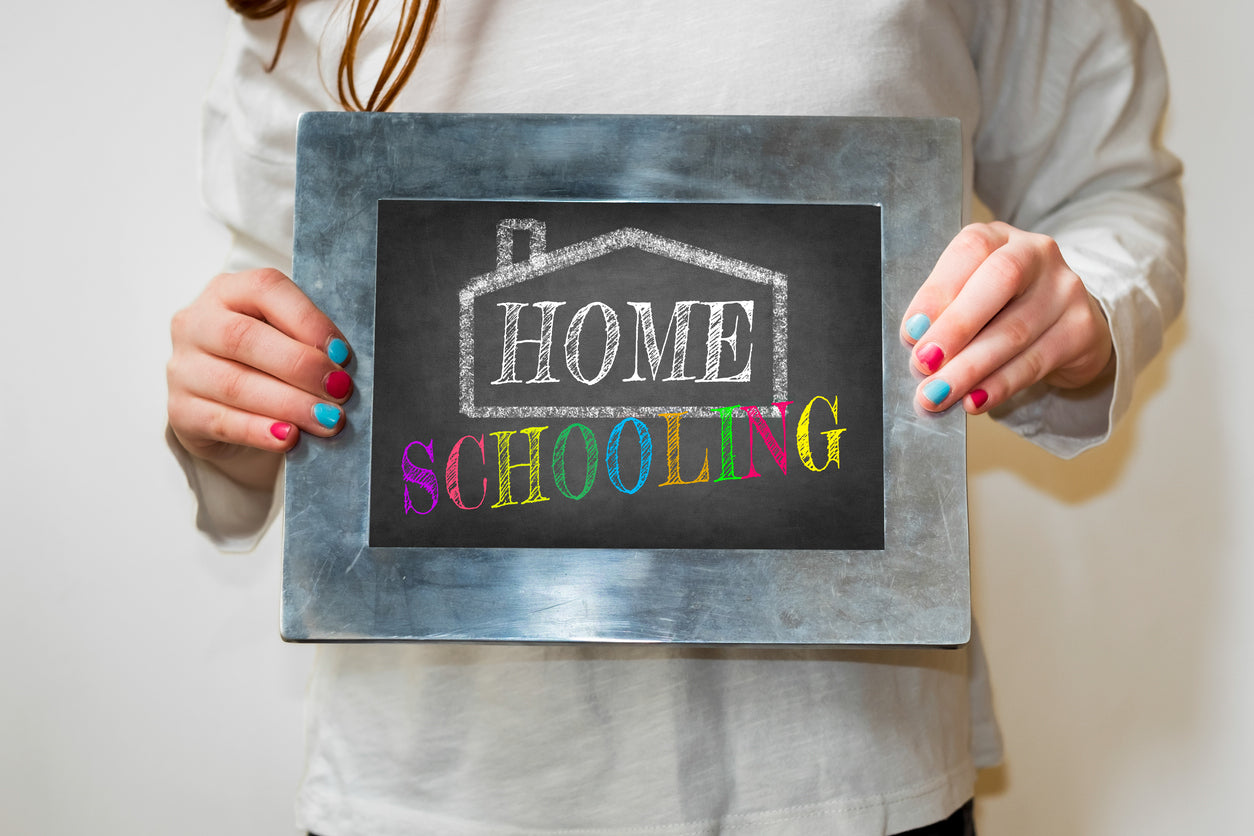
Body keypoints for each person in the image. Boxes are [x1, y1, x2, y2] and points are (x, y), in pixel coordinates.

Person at [166, 1, 1184, 833]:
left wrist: (1074, 310)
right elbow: (269, 290)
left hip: (845, 781)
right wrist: (230, 404)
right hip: (432, 789)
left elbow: (1113, 193)